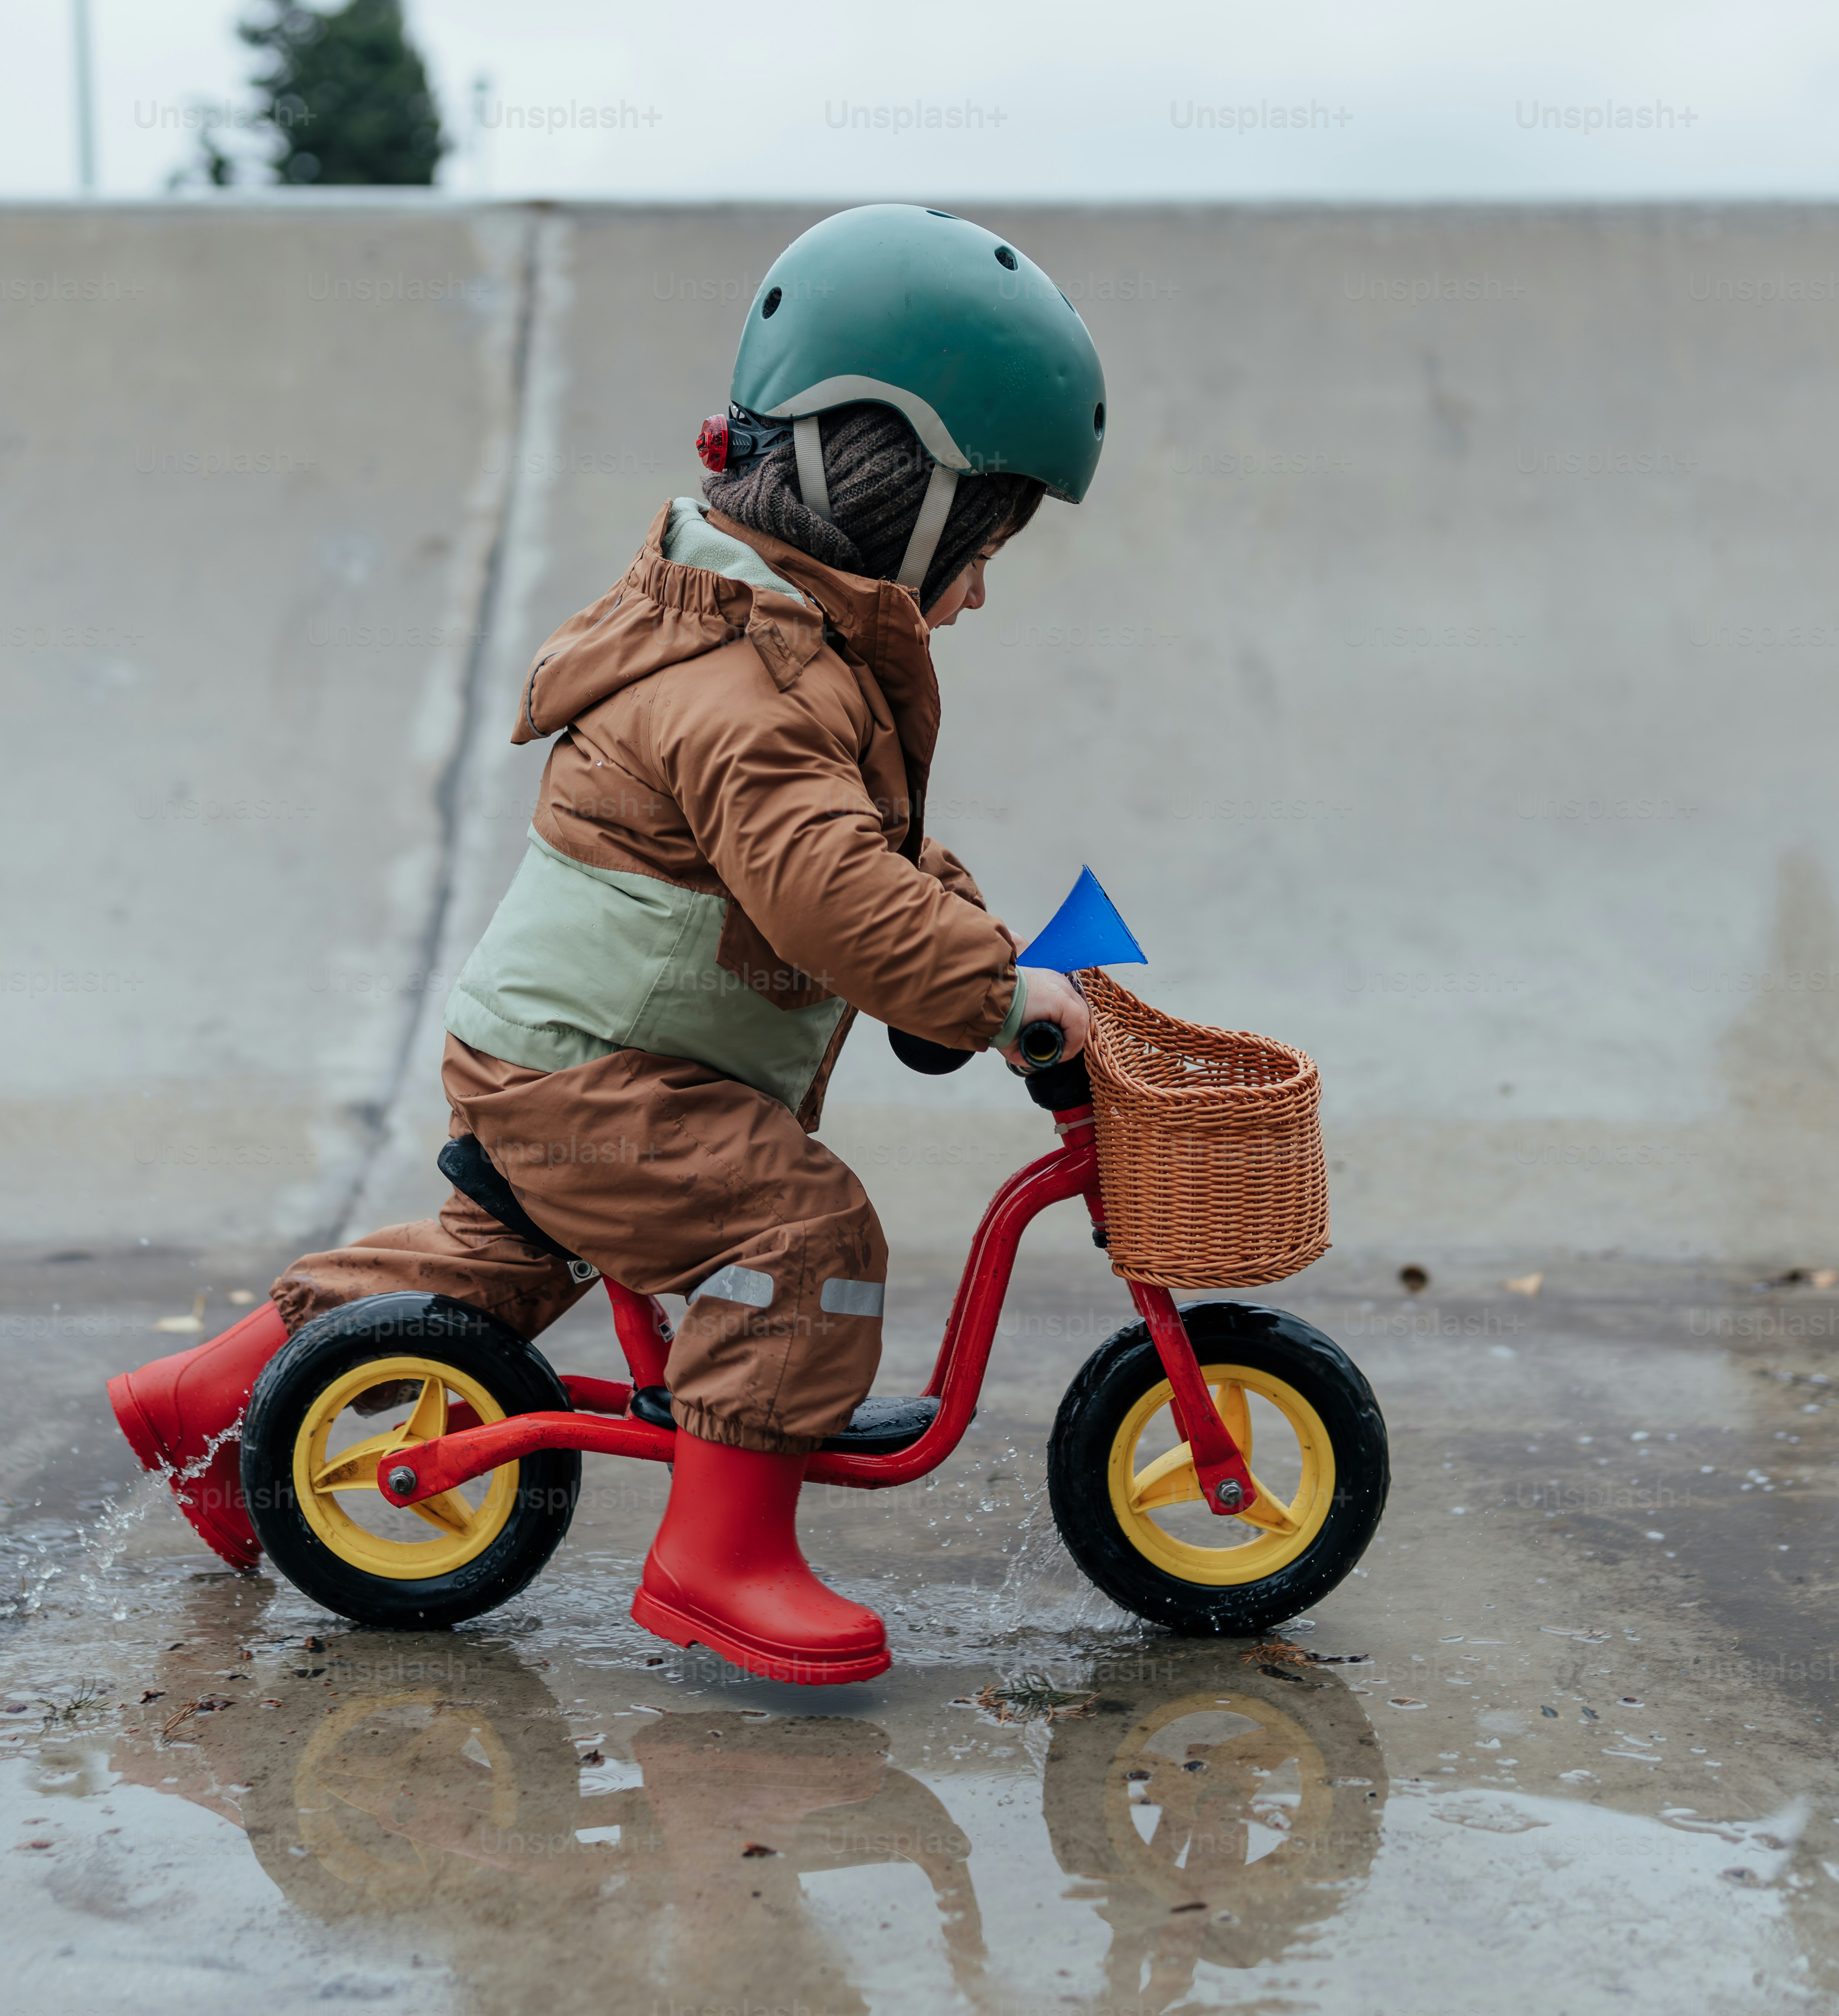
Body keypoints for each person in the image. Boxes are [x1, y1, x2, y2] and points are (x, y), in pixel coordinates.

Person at [110, 204, 1107, 1684]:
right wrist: (980, 990)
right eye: (979, 542)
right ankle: (718, 1560)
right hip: (602, 1075)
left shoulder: (780, 652)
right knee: (795, 1232)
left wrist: (981, 947)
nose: (976, 590)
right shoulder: (746, 687)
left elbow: (871, 857)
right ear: (893, 488)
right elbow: (828, 887)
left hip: (564, 1054)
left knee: (489, 1277)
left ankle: (205, 1395)